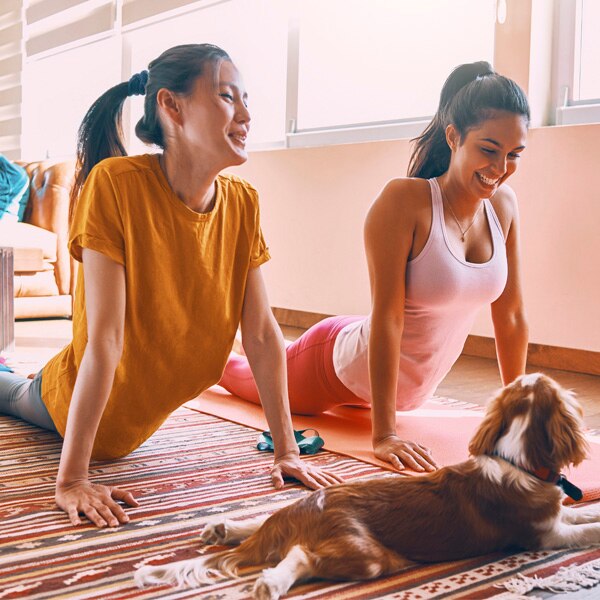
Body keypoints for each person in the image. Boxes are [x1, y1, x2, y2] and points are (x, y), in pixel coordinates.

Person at [0, 43, 341, 529]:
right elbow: (106, 339)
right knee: (13, 393)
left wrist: (286, 450)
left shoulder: (242, 203)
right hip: (69, 397)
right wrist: (72, 478)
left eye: (247, 100)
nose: (246, 114)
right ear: (171, 105)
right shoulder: (114, 185)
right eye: (227, 97)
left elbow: (263, 335)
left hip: (132, 422)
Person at [221, 61, 530, 474]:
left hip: (401, 387)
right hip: (339, 365)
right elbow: (388, 319)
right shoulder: (405, 201)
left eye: (514, 155)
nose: (500, 168)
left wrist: (516, 418)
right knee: (234, 374)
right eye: (489, 150)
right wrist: (383, 435)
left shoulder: (504, 207)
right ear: (454, 136)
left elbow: (510, 317)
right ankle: (211, 343)